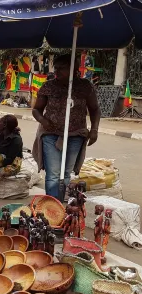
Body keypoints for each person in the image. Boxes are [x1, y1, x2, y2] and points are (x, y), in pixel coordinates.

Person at [32, 54, 101, 199]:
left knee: (66, 173)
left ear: (74, 68)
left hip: (76, 135)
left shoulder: (84, 86)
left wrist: (94, 129)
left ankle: (62, 205)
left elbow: (94, 109)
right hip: (51, 135)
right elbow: (36, 110)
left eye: (62, 68)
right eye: (56, 68)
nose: (57, 71)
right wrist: (43, 121)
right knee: (53, 174)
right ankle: (52, 206)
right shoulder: (48, 86)